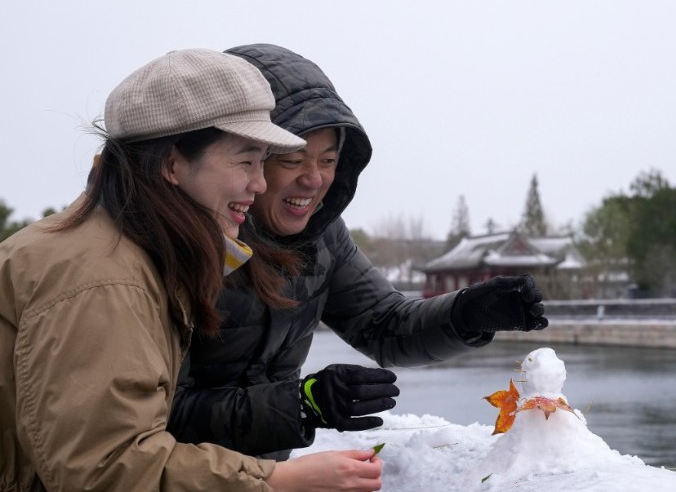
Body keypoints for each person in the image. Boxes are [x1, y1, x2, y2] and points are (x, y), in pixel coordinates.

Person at [0, 48, 384, 491]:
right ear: (172, 164)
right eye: (245, 160)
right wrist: (279, 479)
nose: (259, 184)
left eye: (263, 162)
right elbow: (104, 471)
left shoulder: (132, 250)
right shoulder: (103, 279)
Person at [167, 43, 548, 460]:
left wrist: (465, 314)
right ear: (246, 157)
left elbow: (385, 325)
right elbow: (159, 413)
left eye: (328, 160)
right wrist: (303, 402)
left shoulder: (323, 235)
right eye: (293, 160)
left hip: (267, 478)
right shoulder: (176, 245)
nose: (314, 180)